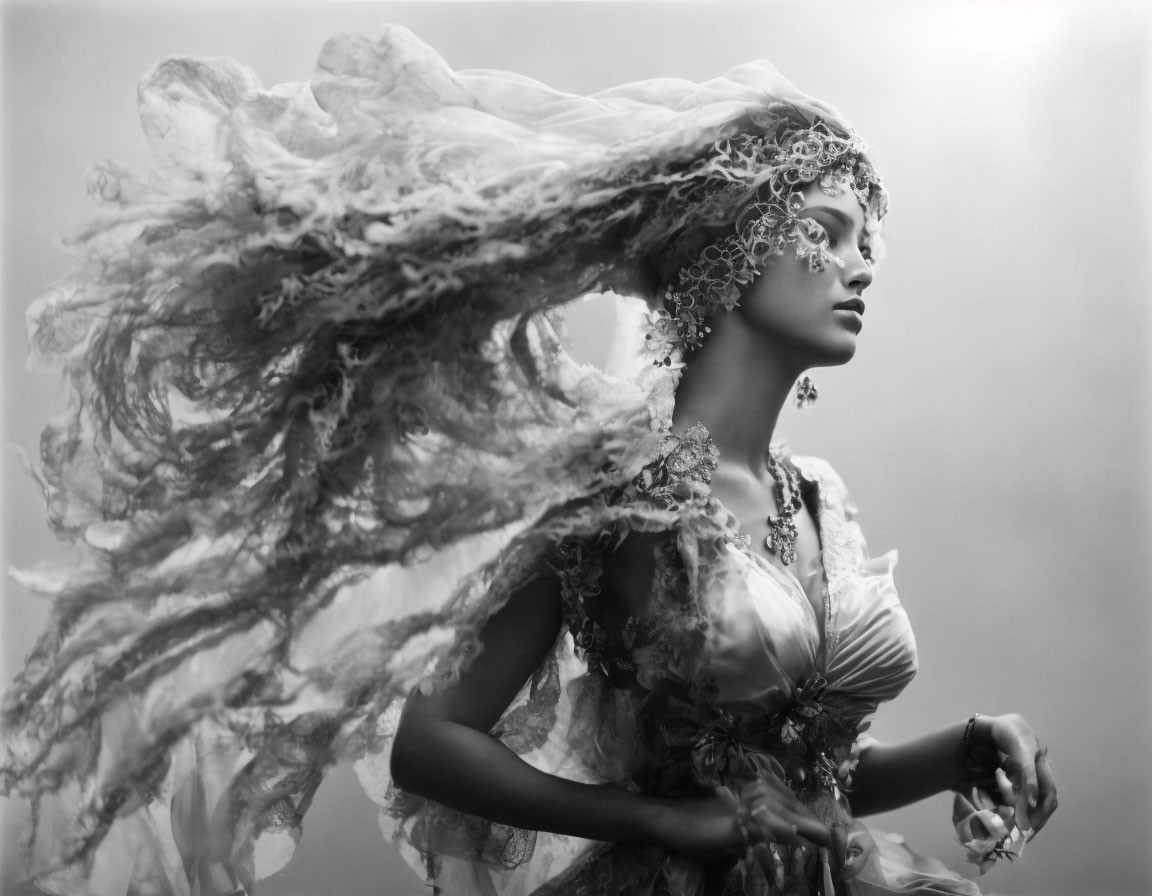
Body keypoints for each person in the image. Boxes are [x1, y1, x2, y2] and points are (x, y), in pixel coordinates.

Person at [1, 24, 1055, 896]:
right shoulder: (625, 496)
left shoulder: (817, 496)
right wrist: (652, 818)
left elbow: (800, 786)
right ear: (733, 248)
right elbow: (430, 741)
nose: (863, 261)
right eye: (828, 227)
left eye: (871, 235)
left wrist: (957, 749)